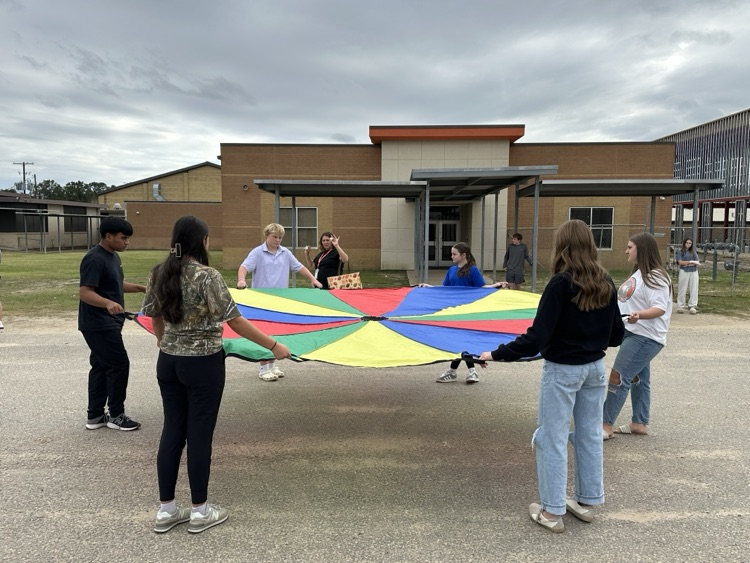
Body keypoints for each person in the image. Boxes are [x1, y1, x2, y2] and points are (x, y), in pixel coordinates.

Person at [143, 216, 292, 534]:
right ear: (203, 241)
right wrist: (274, 345)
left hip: (168, 362)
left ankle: (166, 510)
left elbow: (153, 316)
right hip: (203, 365)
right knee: (199, 436)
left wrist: (163, 341)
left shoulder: (159, 273)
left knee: (172, 432)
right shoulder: (207, 276)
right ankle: (199, 511)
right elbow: (234, 321)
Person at [478, 220, 624, 533]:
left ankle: (551, 511)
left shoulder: (560, 283)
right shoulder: (606, 281)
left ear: (563, 246)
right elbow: (616, 336)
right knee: (588, 435)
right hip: (595, 370)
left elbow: (537, 337)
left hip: (563, 372)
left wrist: (497, 353)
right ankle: (586, 501)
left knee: (551, 438)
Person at [603, 232, 672, 440]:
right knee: (639, 379)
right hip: (632, 332)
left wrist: (639, 315)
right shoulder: (639, 273)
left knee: (618, 376)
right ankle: (639, 423)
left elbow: (659, 308)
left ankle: (605, 424)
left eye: (630, 247)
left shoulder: (656, 276)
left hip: (644, 336)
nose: (626, 250)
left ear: (641, 250)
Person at [79, 217, 146, 431]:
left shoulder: (113, 257)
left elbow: (113, 283)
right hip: (98, 324)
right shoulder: (94, 259)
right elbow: (85, 292)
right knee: (119, 365)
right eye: (123, 238)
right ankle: (116, 415)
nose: (127, 242)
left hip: (110, 323)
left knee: (100, 366)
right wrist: (108, 303)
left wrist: (139, 288)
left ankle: (95, 416)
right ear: (108, 236)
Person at [237, 223, 322, 381]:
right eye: (274, 237)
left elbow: (299, 267)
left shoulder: (285, 253)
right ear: (266, 236)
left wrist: (312, 279)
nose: (277, 240)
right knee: (264, 333)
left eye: (280, 237)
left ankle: (272, 364)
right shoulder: (257, 252)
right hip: (261, 299)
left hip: (280, 299)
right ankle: (263, 367)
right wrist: (242, 280)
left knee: (276, 332)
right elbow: (244, 267)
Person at [420, 242, 507, 384]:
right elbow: (444, 289)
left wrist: (496, 285)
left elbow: (482, 287)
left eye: (454, 254)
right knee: (457, 340)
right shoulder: (451, 270)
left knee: (463, 339)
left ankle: (463, 371)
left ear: (463, 255)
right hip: (453, 311)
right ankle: (465, 371)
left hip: (468, 312)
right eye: (452, 253)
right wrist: (428, 287)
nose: (451, 256)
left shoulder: (473, 271)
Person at [675, 237, 699, 314]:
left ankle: (692, 305)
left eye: (690, 243)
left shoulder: (693, 252)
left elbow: (697, 261)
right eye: (687, 243)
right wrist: (690, 262)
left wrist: (688, 263)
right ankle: (680, 305)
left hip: (693, 271)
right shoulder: (680, 252)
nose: (688, 245)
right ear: (684, 243)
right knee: (682, 288)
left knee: (694, 288)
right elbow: (680, 262)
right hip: (684, 271)